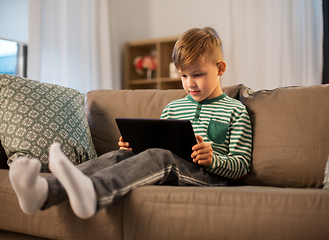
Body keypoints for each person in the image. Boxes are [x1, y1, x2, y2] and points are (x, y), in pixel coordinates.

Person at [9, 27, 252, 219]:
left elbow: (241, 167)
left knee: (161, 157)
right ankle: (44, 192)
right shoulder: (173, 108)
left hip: (209, 177)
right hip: (170, 165)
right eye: (184, 75)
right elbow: (154, 148)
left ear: (220, 69)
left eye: (197, 74)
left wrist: (213, 160)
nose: (190, 83)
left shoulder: (235, 110)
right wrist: (133, 147)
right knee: (119, 155)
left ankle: (93, 194)